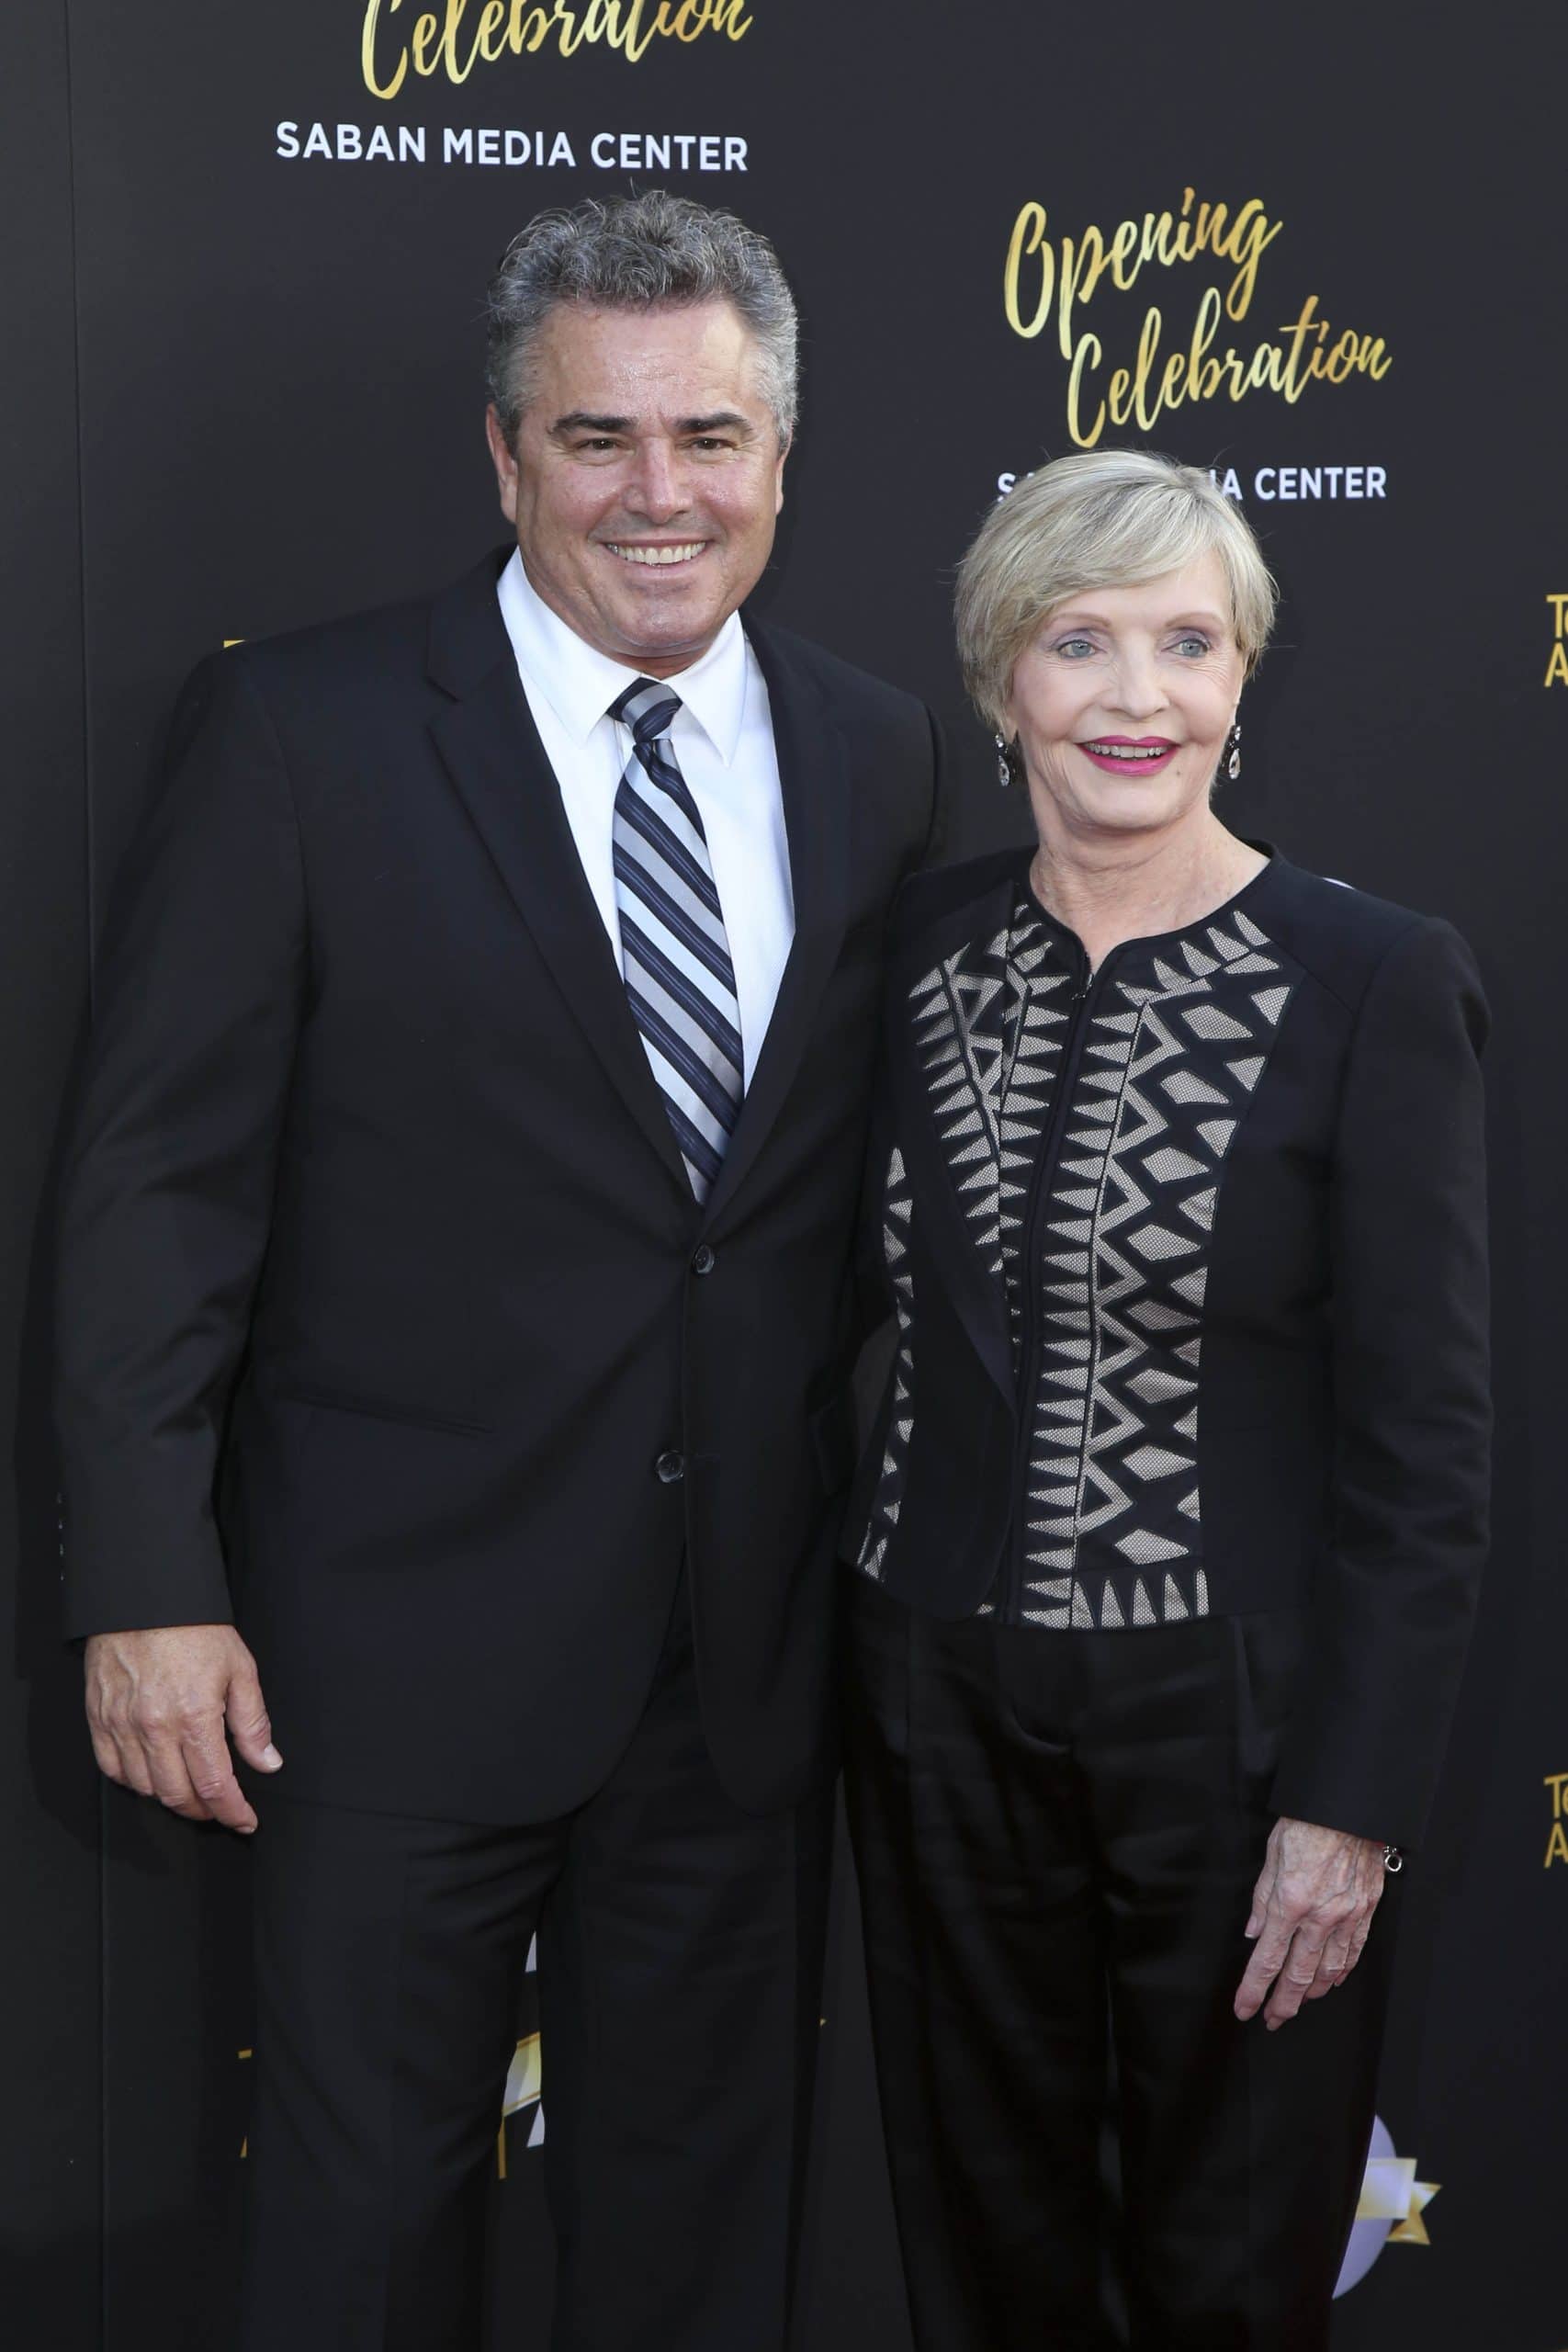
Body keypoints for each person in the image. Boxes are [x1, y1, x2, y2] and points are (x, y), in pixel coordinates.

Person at [52, 190, 941, 2352]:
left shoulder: (875, 748)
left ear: (783, 460)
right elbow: (157, 1186)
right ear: (502, 453)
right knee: (358, 2235)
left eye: (709, 438)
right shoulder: (302, 733)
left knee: (698, 2236)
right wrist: (142, 1580)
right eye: (598, 439)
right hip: (381, 1652)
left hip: (736, 1664)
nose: (662, 494)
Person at [840, 448, 1490, 2350]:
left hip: (1236, 1732)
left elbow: (1424, 1435)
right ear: (997, 684)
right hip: (932, 1699)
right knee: (981, 2248)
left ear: (1240, 676)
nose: (1135, 696)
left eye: (1185, 644)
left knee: (1224, 2262)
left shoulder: (1372, 979)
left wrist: (1348, 1805)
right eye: (1077, 642)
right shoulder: (907, 955)